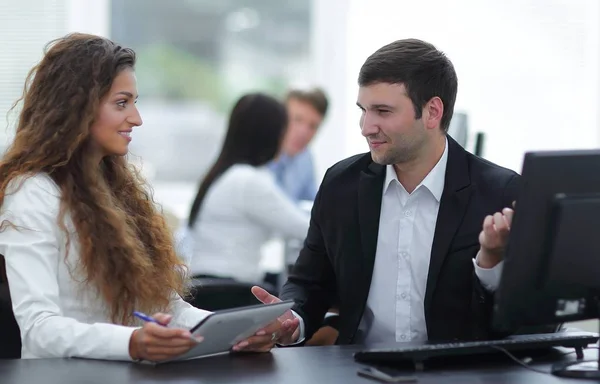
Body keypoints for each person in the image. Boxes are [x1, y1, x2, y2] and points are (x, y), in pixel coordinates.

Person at [0, 33, 277, 361]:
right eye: (122, 103)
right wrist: (132, 343)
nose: (136, 118)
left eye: (134, 102)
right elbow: (39, 328)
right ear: (76, 107)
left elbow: (168, 307)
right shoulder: (31, 193)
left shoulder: (118, 191)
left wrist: (238, 334)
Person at [236, 38, 519, 349]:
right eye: (364, 110)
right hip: (360, 371)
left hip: (460, 374)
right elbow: (309, 283)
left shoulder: (500, 193)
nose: (366, 127)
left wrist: (491, 263)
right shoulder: (341, 184)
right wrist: (290, 320)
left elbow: (524, 317)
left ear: (432, 112)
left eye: (382, 111)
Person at [184, 93, 309, 284]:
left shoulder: (225, 174)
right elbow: (303, 228)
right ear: (269, 135)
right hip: (230, 291)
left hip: (208, 286)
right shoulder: (248, 181)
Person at [268, 88, 328, 202]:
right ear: (280, 116)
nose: (303, 132)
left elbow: (313, 207)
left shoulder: (305, 158)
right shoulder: (257, 154)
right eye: (297, 119)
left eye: (313, 126)